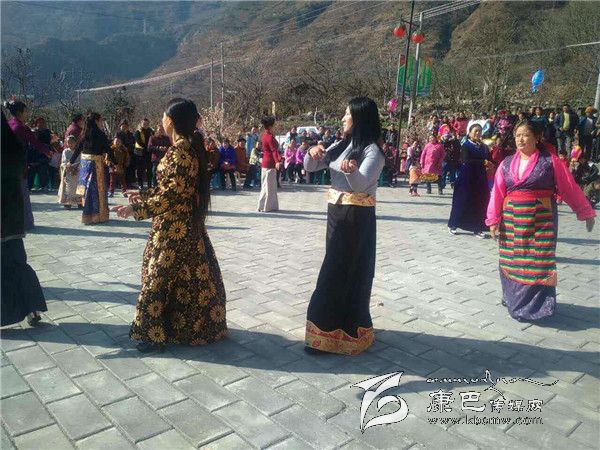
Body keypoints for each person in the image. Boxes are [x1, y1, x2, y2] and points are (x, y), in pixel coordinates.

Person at [111, 98, 227, 352]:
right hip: (181, 225)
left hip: (175, 228)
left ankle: (153, 335)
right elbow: (172, 188)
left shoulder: (180, 151)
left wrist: (137, 210)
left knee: (158, 278)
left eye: (163, 116)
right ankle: (184, 327)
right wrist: (142, 195)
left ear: (171, 121)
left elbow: (173, 195)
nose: (161, 121)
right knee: (186, 279)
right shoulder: (184, 148)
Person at [486, 120, 595, 322]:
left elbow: (569, 187)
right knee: (513, 259)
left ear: (536, 138)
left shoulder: (550, 161)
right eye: (517, 135)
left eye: (525, 135)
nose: (520, 139)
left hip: (541, 220)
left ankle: (536, 307)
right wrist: (493, 219)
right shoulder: (506, 163)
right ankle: (512, 299)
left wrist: (585, 212)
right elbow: (497, 193)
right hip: (511, 220)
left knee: (538, 261)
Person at [303, 97, 385, 355]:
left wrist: (345, 168)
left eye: (347, 114)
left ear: (359, 118)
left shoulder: (372, 151)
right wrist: (312, 153)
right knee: (337, 268)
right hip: (337, 213)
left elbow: (360, 184)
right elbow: (309, 167)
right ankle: (329, 333)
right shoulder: (341, 145)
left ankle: (338, 331)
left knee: (341, 271)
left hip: (356, 217)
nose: (343, 118)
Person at [1, 111, 47, 327]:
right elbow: (21, 172)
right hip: (12, 215)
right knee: (17, 261)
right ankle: (32, 308)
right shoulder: (13, 145)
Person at [6, 100, 53, 230]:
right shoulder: (21, 127)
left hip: (6, 165)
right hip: (18, 165)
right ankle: (24, 223)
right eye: (26, 111)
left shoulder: (8, 124)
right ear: (20, 112)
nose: (27, 113)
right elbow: (35, 143)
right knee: (22, 194)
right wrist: (48, 152)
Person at [68, 112, 116, 224]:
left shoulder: (84, 133)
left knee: (85, 189)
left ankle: (87, 214)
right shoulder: (100, 134)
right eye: (101, 120)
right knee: (96, 190)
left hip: (84, 165)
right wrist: (115, 162)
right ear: (96, 121)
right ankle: (97, 215)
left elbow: (78, 149)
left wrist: (70, 161)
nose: (102, 122)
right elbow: (108, 149)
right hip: (96, 166)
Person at [448, 124, 490, 237]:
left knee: (480, 202)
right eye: (476, 131)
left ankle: (478, 228)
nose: (478, 133)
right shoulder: (466, 145)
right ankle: (453, 224)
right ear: (470, 132)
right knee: (462, 201)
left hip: (480, 177)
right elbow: (465, 160)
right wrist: (482, 162)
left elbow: (489, 158)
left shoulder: (483, 146)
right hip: (466, 177)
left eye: (480, 131)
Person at [257, 116, 281, 212]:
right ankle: (267, 207)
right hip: (270, 163)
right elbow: (274, 151)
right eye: (274, 125)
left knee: (265, 186)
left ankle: (262, 206)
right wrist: (277, 161)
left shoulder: (265, 135)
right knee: (269, 187)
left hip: (265, 162)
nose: (275, 127)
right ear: (270, 126)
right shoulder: (270, 137)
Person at [58, 135, 82, 208]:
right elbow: (64, 162)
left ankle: (80, 201)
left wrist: (76, 168)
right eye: (69, 142)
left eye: (72, 142)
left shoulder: (79, 151)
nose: (70, 144)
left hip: (78, 171)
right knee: (69, 187)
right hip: (69, 172)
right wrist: (70, 168)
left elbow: (81, 160)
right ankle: (68, 202)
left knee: (80, 185)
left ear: (75, 143)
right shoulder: (65, 151)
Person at [148, 123, 171, 188]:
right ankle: (154, 186)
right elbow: (149, 148)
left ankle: (162, 186)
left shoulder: (166, 138)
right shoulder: (152, 137)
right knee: (155, 173)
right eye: (159, 130)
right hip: (156, 158)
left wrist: (166, 148)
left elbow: (170, 146)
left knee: (164, 173)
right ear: (156, 130)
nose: (161, 131)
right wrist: (158, 148)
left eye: (162, 130)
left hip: (165, 159)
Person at [134, 118, 154, 189]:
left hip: (148, 153)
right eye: (144, 124)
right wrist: (148, 146)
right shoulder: (138, 132)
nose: (146, 125)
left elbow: (153, 139)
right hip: (139, 153)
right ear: (141, 124)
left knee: (149, 169)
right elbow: (139, 142)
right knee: (140, 169)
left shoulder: (151, 131)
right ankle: (140, 184)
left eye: (147, 124)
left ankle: (149, 184)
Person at [116, 119, 136, 187]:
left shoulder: (130, 134)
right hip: (120, 153)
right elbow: (116, 143)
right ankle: (120, 183)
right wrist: (123, 147)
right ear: (120, 126)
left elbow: (133, 143)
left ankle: (129, 183)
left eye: (126, 126)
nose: (124, 128)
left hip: (129, 153)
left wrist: (129, 148)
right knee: (121, 169)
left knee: (130, 168)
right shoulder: (118, 134)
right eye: (123, 126)